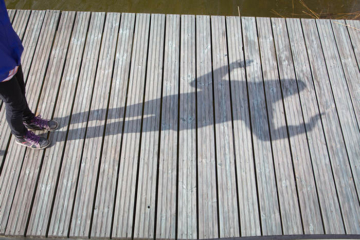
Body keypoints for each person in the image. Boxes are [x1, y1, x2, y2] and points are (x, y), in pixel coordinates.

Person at [0, 0, 58, 149]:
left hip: (8, 49)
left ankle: (28, 119)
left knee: (20, 89)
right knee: (14, 102)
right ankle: (21, 136)